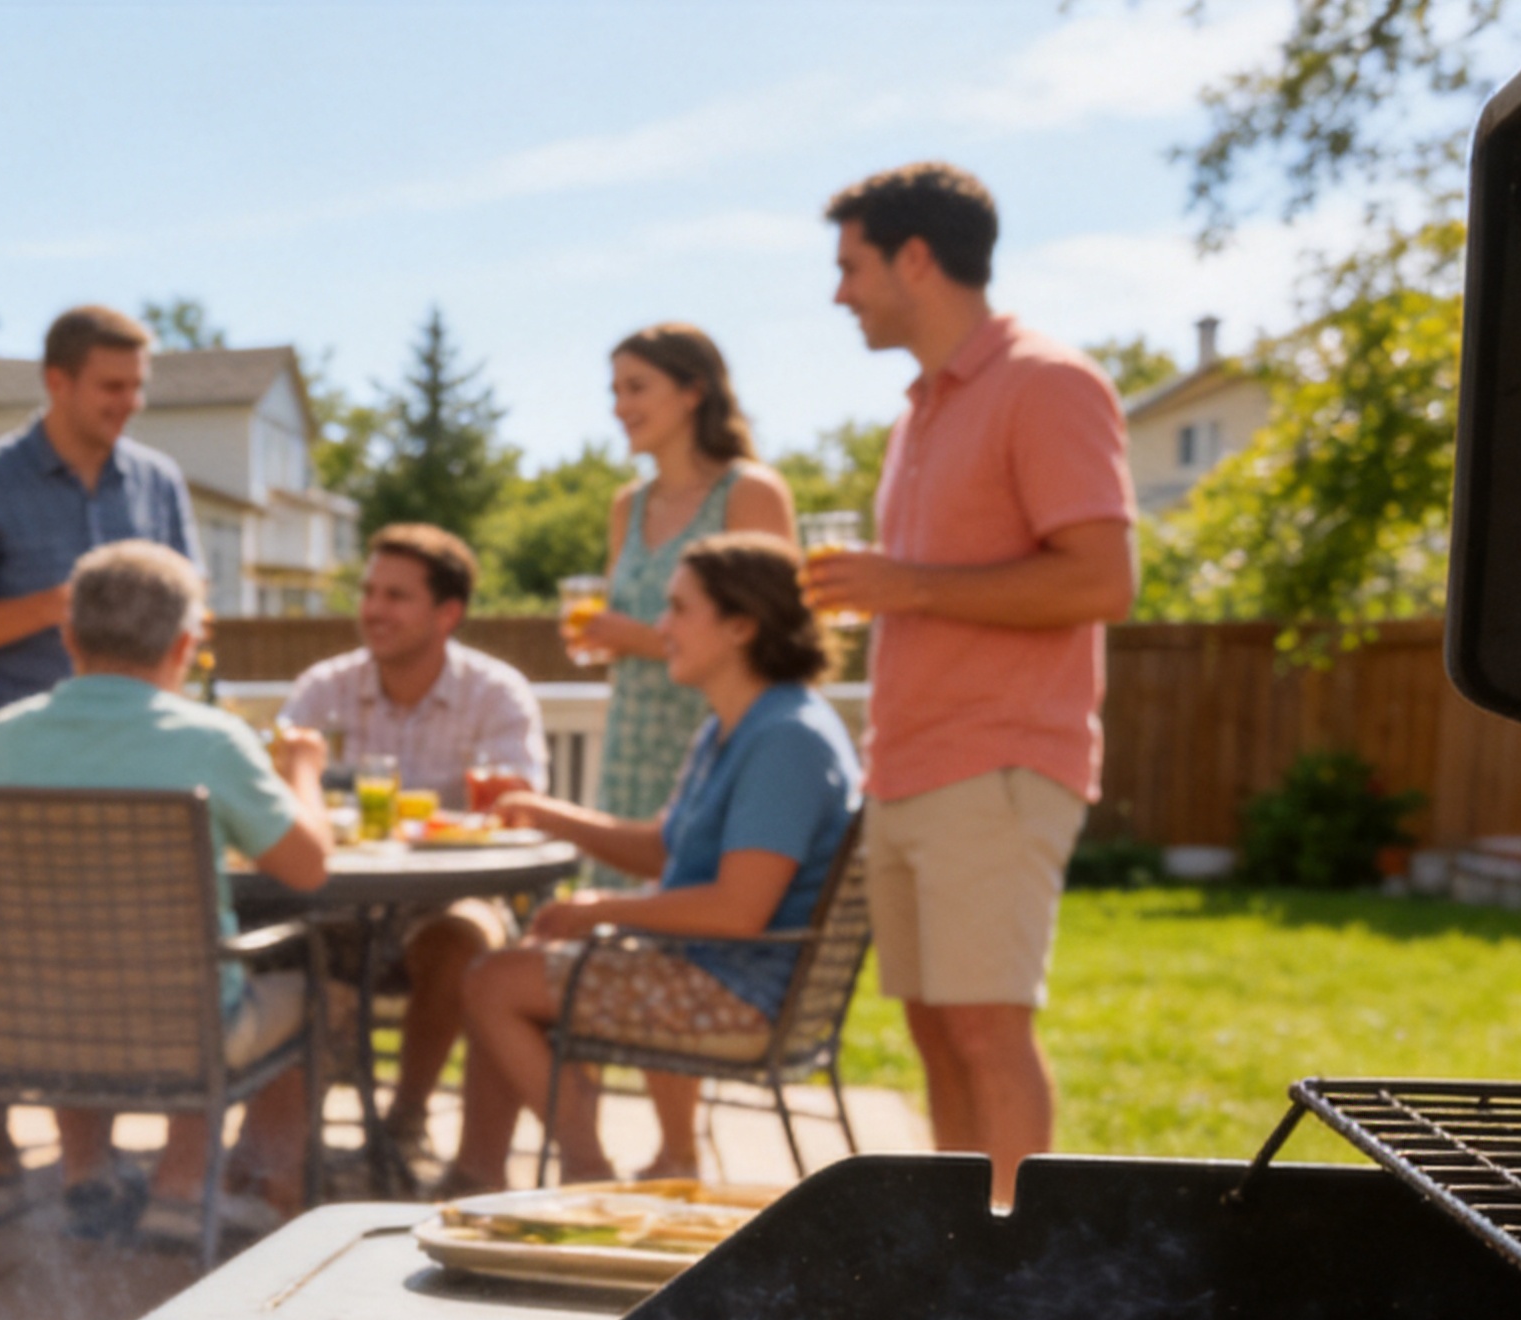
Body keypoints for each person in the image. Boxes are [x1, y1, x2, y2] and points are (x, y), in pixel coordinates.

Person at [806, 162, 1135, 1208]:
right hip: (907, 767)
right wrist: (898, 592)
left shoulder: (1047, 383)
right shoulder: (917, 416)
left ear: (915, 257)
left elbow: (1102, 579)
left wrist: (908, 584)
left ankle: (1019, 1287)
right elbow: (937, 592)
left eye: (850, 266)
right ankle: (962, 1273)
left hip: (997, 761)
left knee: (989, 1026)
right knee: (934, 1027)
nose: (839, 292)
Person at [449, 533, 861, 1193]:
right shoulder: (735, 724)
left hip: (741, 997)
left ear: (741, 626)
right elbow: (662, 850)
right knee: (515, 967)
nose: (660, 627)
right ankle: (501, 1172)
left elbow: (738, 908)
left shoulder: (786, 740)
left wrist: (599, 909)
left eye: (678, 609)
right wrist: (542, 810)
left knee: (494, 982)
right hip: (709, 973)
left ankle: (588, 1178)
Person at [0, 541, 335, 1246]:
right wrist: (304, 771)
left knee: (71, 950)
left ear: (67, 636)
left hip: (28, 1024)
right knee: (308, 982)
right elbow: (309, 869)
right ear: (185, 646)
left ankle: (86, 1173)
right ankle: (181, 1188)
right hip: (180, 1027)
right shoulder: (212, 741)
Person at [0, 303, 200, 1209]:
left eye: (137, 386)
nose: (129, 403)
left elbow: (192, 613)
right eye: (112, 386)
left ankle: (99, 1161)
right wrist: (57, 607)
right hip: (22, 762)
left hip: (140, 760)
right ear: (58, 382)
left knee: (121, 946)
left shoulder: (157, 482)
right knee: (18, 942)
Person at [577, 324, 796, 1179]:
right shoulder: (625, 507)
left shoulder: (750, 492)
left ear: (692, 391)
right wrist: (615, 641)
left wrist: (632, 635)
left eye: (636, 387)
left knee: (685, 916)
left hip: (714, 730)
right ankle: (669, 1146)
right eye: (616, 388)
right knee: (638, 923)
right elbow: (643, 627)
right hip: (637, 728)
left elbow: (772, 628)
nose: (619, 406)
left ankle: (676, 1150)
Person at [275, 524, 546, 1176]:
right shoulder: (321, 690)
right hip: (336, 900)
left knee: (462, 937)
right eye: (369, 591)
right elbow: (278, 798)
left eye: (396, 595)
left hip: (448, 898)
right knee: (291, 941)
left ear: (447, 613)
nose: (373, 609)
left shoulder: (496, 693)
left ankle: (405, 1118)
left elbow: (516, 811)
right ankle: (284, 1152)